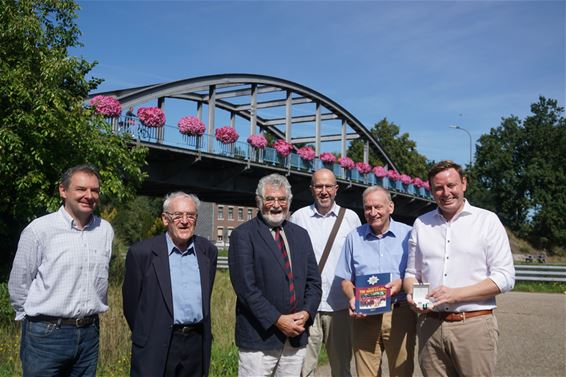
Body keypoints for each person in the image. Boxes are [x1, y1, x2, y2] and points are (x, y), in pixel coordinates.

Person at [403, 160, 515, 377]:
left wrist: (456, 295)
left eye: (451, 185)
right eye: (438, 188)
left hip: (473, 325)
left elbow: (505, 277)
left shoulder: (487, 221)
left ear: (464, 183)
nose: (446, 192)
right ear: (431, 190)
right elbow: (411, 274)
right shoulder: (421, 224)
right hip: (430, 325)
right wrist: (413, 295)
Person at [8, 164, 113, 376]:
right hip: (46, 334)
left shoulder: (105, 230)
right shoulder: (40, 229)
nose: (89, 195)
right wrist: (32, 323)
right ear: (63, 191)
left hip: (89, 333)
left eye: (94, 190)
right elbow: (19, 282)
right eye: (81, 189)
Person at [228, 173, 322, 376]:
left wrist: (306, 314)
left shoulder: (300, 235)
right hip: (259, 339)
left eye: (282, 199)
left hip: (295, 337)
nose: (276, 205)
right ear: (259, 201)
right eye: (270, 199)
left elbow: (314, 283)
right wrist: (278, 320)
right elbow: (246, 288)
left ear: (289, 202)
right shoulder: (243, 235)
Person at [123, 192, 218, 377]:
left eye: (191, 215)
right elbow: (131, 307)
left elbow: (206, 295)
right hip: (155, 342)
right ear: (165, 219)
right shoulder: (142, 253)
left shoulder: (208, 252)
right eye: (178, 216)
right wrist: (149, 332)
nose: (185, 221)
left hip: (196, 343)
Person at [335, 186, 417, 377]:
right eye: (367, 208)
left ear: (391, 207)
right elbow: (346, 280)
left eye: (378, 207)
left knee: (401, 372)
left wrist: (401, 283)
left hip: (399, 313)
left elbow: (419, 274)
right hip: (365, 316)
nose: (373, 213)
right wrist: (352, 297)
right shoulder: (354, 237)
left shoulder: (409, 234)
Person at [289, 168, 361, 377]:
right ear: (311, 189)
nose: (324, 191)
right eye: (319, 186)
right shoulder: (299, 217)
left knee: (341, 368)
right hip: (306, 308)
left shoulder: (351, 219)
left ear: (336, 189)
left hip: (338, 306)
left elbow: (358, 261)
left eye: (328, 186)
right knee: (304, 368)